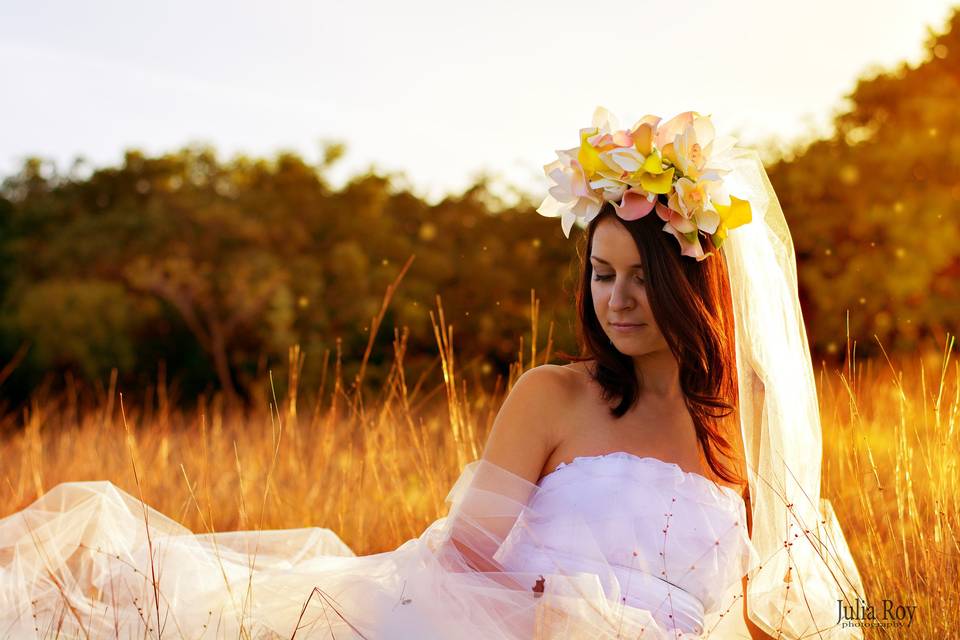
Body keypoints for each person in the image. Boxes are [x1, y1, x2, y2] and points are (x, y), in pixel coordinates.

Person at [0, 107, 865, 639]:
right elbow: (461, 561)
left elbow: (767, 610)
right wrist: (562, 624)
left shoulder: (738, 428)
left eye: (642, 277)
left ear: (688, 281)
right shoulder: (555, 397)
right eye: (602, 275)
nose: (617, 299)